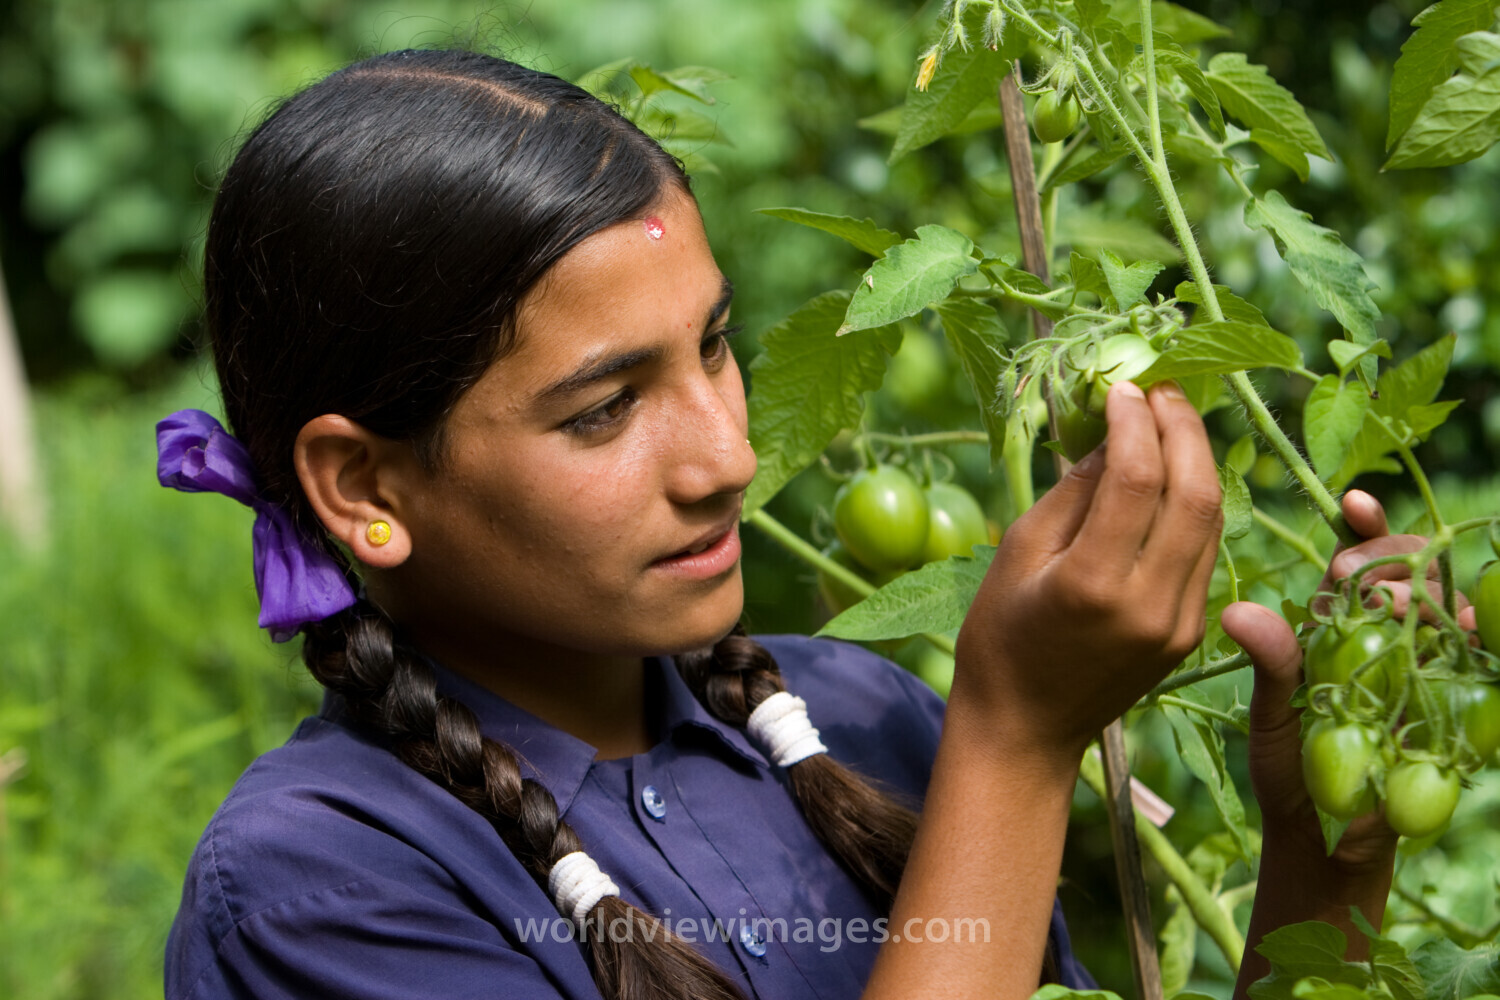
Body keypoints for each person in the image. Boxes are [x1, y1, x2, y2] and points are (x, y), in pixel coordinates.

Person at [159, 48, 1465, 1000]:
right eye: (606, 410)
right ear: (365, 489)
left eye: (715, 349)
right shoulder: (319, 891)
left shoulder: (865, 720)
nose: (730, 455)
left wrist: (1323, 860)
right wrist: (1016, 746)